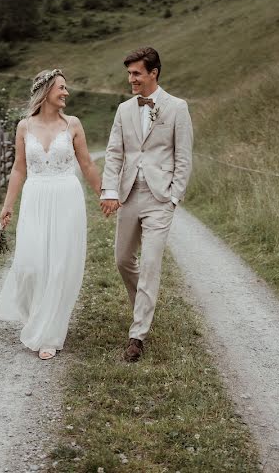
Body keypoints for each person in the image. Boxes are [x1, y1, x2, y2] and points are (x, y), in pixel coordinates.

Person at [0, 69, 102, 360]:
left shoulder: (73, 125)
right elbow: (19, 168)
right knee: (30, 265)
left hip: (66, 198)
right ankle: (37, 316)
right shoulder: (24, 127)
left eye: (66, 88)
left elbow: (88, 166)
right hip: (35, 197)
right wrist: (8, 204)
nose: (66, 93)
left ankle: (49, 333)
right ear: (45, 92)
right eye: (61, 88)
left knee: (58, 266)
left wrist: (105, 195)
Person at [100, 47, 193, 362]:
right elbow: (114, 153)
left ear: (153, 72)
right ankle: (144, 302)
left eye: (136, 73)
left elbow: (184, 156)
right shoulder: (124, 110)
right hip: (128, 194)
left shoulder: (177, 108)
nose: (131, 79)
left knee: (151, 264)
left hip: (159, 197)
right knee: (123, 259)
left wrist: (174, 197)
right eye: (129, 73)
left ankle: (137, 335)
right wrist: (109, 191)